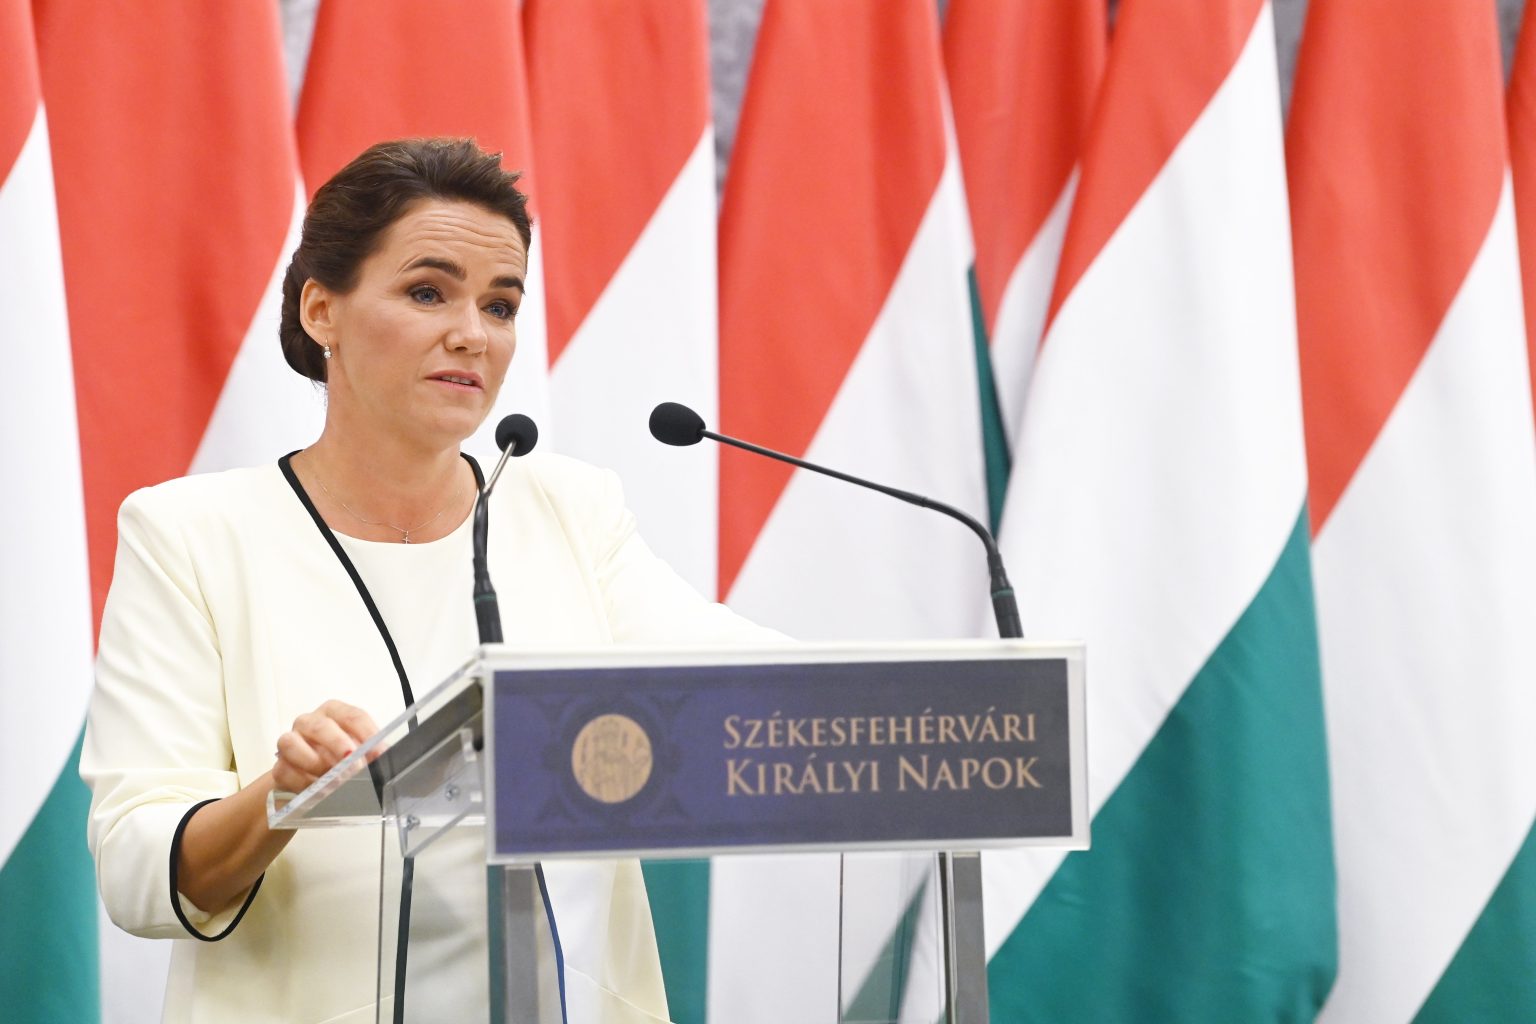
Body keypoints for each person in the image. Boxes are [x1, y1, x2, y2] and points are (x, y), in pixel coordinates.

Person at [80, 137, 776, 1024]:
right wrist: (281, 796)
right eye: (427, 292)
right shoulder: (191, 534)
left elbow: (756, 690)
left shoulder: (568, 510)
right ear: (322, 310)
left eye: (501, 304)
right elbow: (137, 866)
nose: (472, 334)